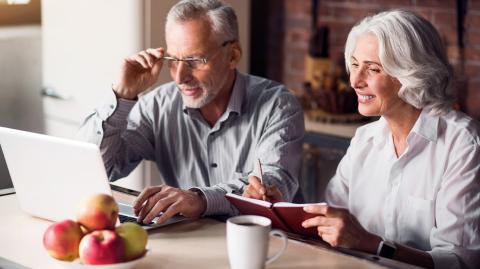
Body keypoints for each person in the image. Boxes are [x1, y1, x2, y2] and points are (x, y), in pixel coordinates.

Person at [243, 10, 480, 269]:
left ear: (411, 73)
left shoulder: (462, 143)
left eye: (373, 69)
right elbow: (329, 227)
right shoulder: (364, 139)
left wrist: (374, 245)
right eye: (355, 65)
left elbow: (461, 262)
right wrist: (279, 212)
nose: (355, 81)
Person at [78, 0, 304, 225]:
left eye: (194, 61)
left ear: (233, 55)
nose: (179, 77)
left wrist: (201, 199)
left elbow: (273, 185)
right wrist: (122, 94)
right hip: (192, 241)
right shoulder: (157, 105)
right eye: (173, 61)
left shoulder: (278, 104)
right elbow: (96, 170)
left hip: (265, 245)